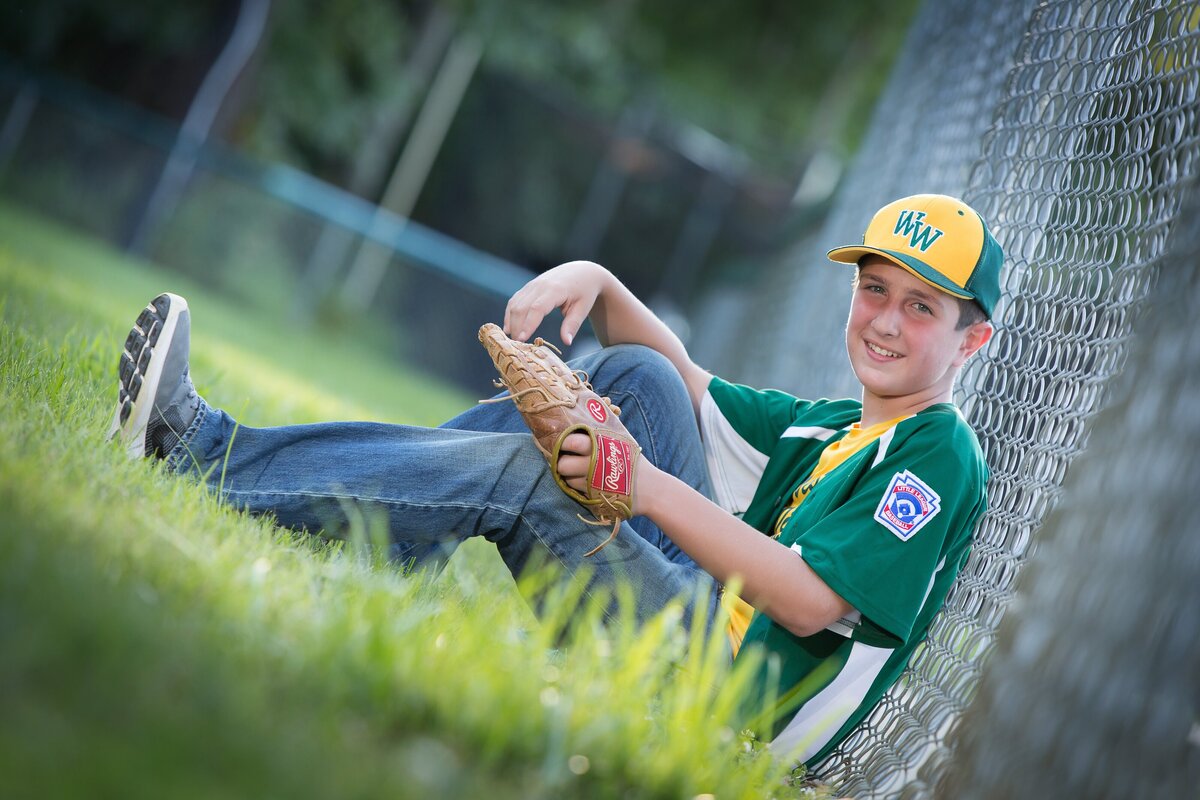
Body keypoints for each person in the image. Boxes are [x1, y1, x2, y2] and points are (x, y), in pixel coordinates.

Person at [108, 193, 999, 766]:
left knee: (537, 481)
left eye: (921, 306)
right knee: (639, 380)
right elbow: (680, 381)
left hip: (724, 708)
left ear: (971, 339)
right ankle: (383, 543)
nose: (885, 320)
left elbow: (808, 603)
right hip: (697, 629)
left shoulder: (938, 454)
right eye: (874, 290)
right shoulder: (837, 425)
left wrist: (643, 486)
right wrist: (600, 281)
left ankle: (194, 452)